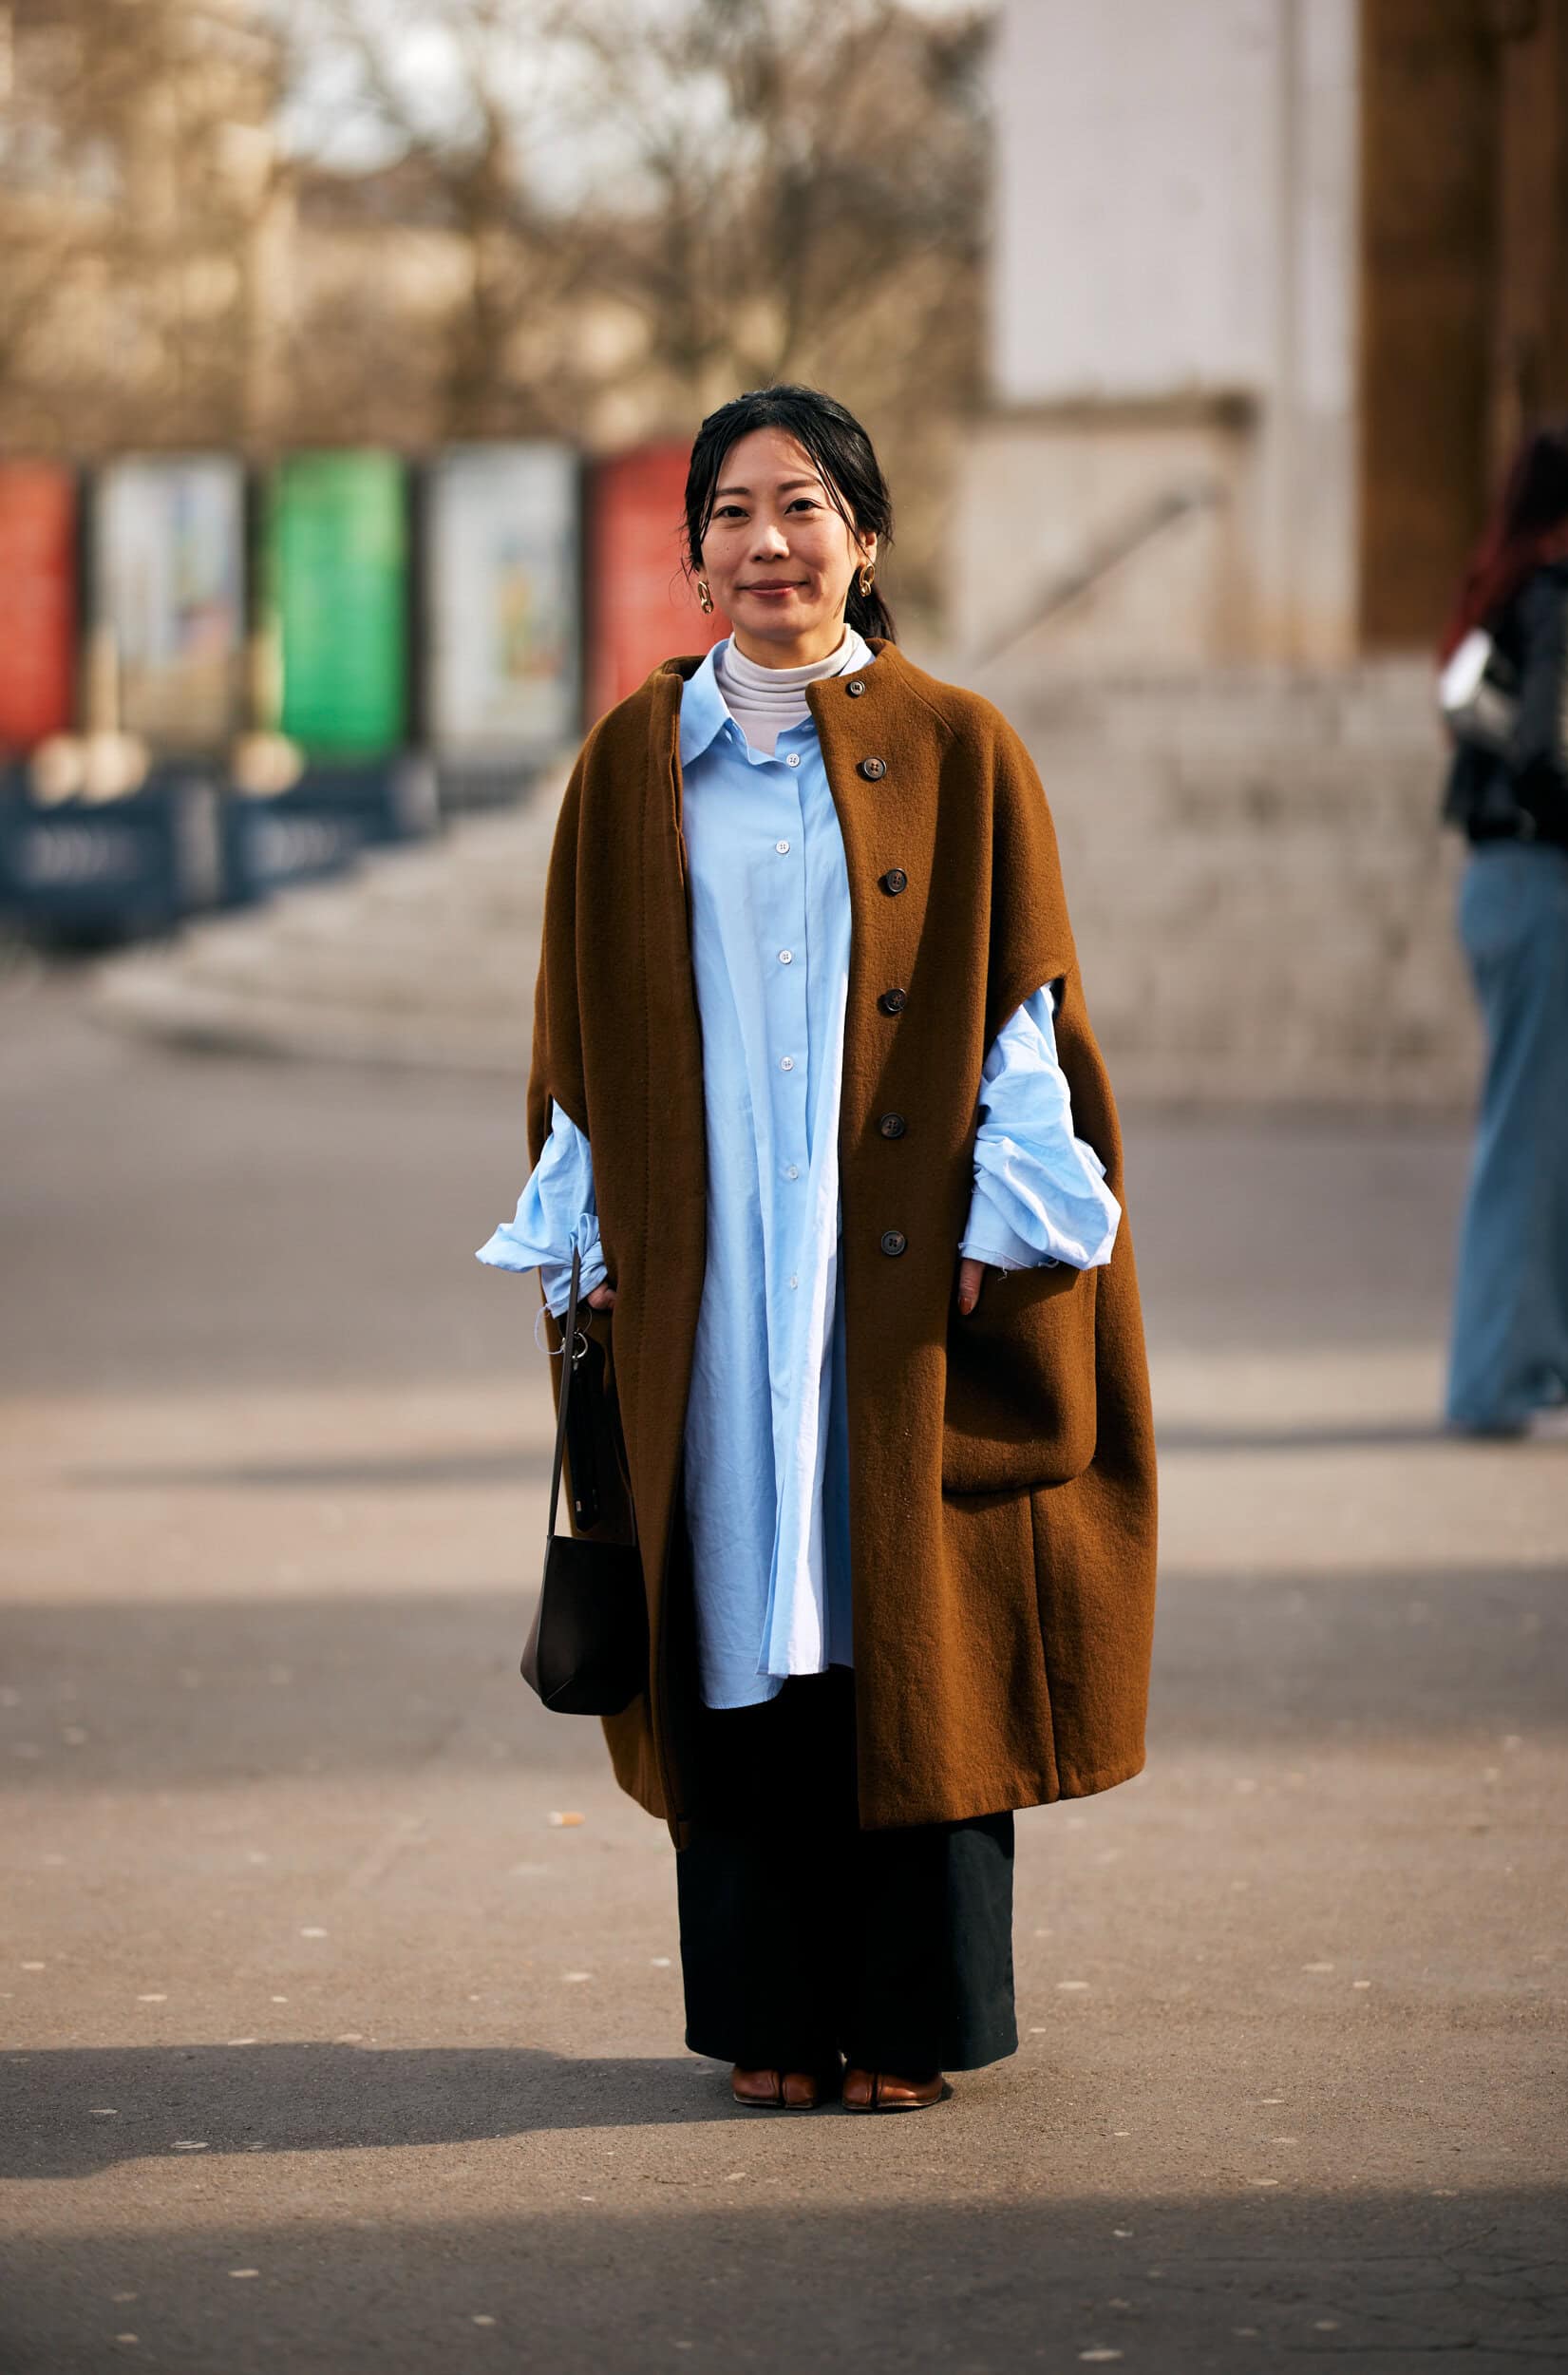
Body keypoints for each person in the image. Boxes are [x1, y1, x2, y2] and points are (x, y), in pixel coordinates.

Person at [478, 385, 1157, 2112]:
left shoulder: (959, 744)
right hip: (714, 1272)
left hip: (887, 1271)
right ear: (693, 553)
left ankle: (910, 2019)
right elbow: (574, 1033)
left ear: (863, 536)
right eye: (730, 512)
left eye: (801, 507)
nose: (766, 543)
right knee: (731, 1608)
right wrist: (584, 1232)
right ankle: (771, 2019)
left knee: (896, 1620)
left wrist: (1009, 1216)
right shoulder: (630, 768)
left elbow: (1019, 1008)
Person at [1439, 418, 1568, 1440]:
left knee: (1546, 1140)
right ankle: (1499, 1382)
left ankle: (1538, 1370)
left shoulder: (1501, 586)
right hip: (1540, 886)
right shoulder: (1563, 594)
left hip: (1504, 883)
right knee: (1530, 1143)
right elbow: (1548, 755)